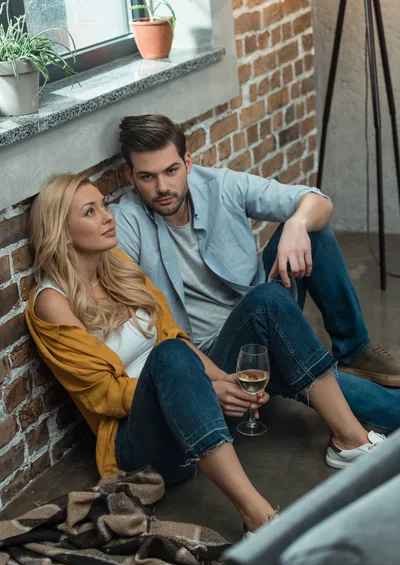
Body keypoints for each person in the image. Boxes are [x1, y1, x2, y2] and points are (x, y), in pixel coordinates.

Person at [27, 174, 385, 535]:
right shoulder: (52, 301)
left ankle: (348, 440)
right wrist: (205, 389)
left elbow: (176, 338)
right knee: (167, 356)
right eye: (91, 212)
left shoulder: (121, 270)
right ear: (62, 230)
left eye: (104, 206)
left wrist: (223, 381)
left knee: (267, 299)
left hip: (192, 402)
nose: (107, 216)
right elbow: (104, 395)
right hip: (141, 445)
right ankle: (259, 518)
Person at [110, 113, 400, 430]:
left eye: (171, 170)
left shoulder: (219, 185)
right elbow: (133, 316)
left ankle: (354, 350)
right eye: (148, 177)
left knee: (312, 231)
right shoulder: (126, 223)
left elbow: (317, 202)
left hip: (266, 311)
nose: (163, 187)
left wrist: (297, 224)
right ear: (130, 174)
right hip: (216, 355)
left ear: (188, 163)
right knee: (268, 307)